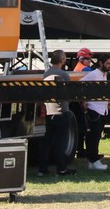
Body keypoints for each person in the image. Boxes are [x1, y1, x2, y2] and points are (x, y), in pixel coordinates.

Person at [39, 49, 75, 177]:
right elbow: (68, 93)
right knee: (61, 142)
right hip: (61, 111)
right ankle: (61, 168)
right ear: (62, 60)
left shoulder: (46, 74)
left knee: (47, 141)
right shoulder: (63, 74)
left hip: (50, 112)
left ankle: (42, 168)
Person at [77, 48, 109, 171]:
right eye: (107, 63)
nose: (109, 66)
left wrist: (108, 101)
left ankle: (93, 160)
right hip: (94, 109)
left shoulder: (104, 75)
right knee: (93, 136)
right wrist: (84, 100)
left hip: (102, 109)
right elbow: (80, 84)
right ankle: (94, 159)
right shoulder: (94, 74)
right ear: (101, 63)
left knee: (97, 135)